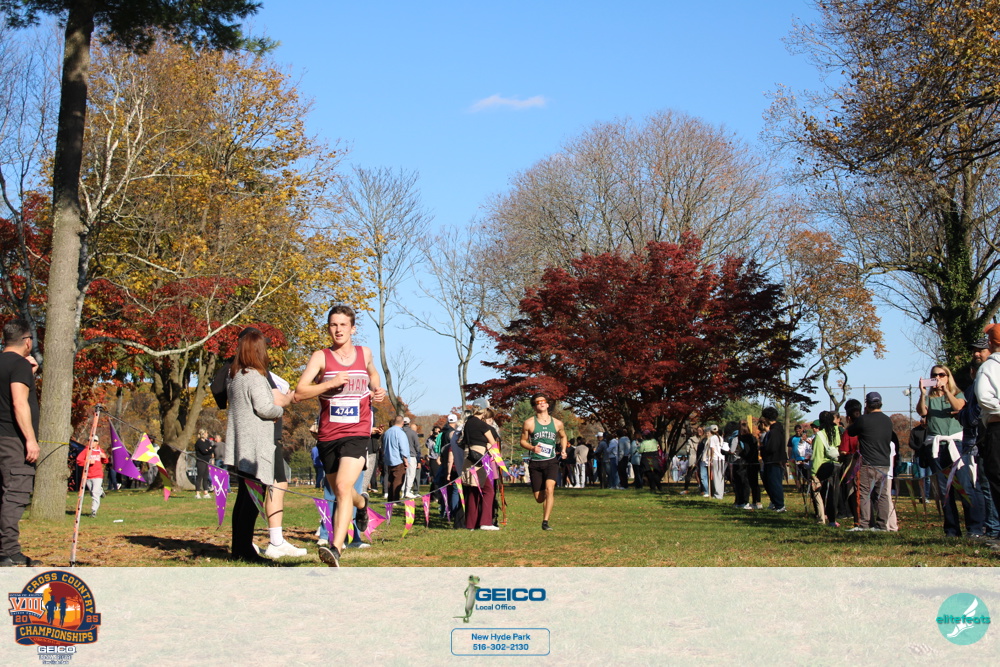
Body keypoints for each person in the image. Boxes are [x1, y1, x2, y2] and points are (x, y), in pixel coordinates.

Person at [294, 305, 386, 567]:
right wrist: (330, 383)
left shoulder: (364, 353)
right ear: (328, 328)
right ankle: (362, 504)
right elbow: (300, 392)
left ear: (352, 328)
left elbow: (373, 373)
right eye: (333, 325)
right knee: (340, 491)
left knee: (344, 487)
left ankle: (335, 547)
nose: (338, 330)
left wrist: (377, 389)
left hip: (357, 432)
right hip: (328, 435)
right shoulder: (321, 357)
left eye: (343, 325)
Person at [224, 330, 303, 561]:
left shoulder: (235, 376)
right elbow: (265, 408)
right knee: (252, 499)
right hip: (255, 446)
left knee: (243, 499)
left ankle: (239, 547)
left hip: (242, 443)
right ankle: (245, 550)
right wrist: (280, 409)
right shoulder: (255, 377)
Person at [918, 363, 980, 537]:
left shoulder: (957, 393)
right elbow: (922, 412)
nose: (937, 378)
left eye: (941, 375)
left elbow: (959, 407)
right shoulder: (929, 398)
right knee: (944, 490)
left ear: (948, 377)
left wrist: (946, 391)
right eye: (934, 375)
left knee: (965, 486)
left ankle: (974, 528)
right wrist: (922, 393)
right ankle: (952, 530)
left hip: (955, 445)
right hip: (936, 447)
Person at [0, 319, 39, 567]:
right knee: (15, 495)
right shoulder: (19, 364)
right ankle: (8, 552)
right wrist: (30, 440)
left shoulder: (16, 366)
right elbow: (18, 402)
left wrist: (29, 374)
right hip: (13, 441)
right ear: (27, 341)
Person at [847, 392, 897, 531]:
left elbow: (851, 431)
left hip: (868, 463)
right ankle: (882, 525)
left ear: (867, 404)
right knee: (883, 496)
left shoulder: (864, 420)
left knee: (864, 494)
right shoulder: (887, 420)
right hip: (884, 463)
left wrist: (863, 416)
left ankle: (865, 524)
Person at [519, 393, 569, 530]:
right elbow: (522, 441)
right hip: (535, 463)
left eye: (543, 401)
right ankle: (545, 503)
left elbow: (563, 436)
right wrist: (532, 448)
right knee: (539, 498)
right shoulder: (529, 423)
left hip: (551, 462)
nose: (541, 403)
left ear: (547, 404)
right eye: (537, 402)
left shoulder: (557, 423)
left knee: (549, 489)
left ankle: (545, 522)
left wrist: (563, 450)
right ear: (534, 406)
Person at [462, 405, 500, 530]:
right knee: (488, 490)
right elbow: (493, 443)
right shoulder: (482, 425)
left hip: (468, 457)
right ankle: (486, 522)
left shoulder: (467, 423)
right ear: (484, 412)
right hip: (481, 458)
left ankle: (470, 524)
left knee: (473, 490)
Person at [809, 412, 841, 527]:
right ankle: (833, 520)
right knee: (833, 494)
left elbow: (818, 456)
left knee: (818, 493)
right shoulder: (836, 432)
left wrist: (813, 473)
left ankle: (821, 517)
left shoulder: (820, 435)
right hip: (837, 465)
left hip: (824, 467)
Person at [759, 407, 787, 512]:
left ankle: (780, 505)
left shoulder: (774, 431)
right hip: (773, 460)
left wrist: (763, 448)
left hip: (774, 460)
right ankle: (776, 503)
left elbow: (772, 447)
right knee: (770, 483)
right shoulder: (775, 430)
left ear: (767, 418)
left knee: (775, 483)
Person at [76, 435, 109, 518]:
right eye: (90, 440)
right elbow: (79, 461)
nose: (92, 442)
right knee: (92, 492)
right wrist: (88, 461)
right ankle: (100, 491)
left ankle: (93, 511)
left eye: (94, 441)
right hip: (88, 476)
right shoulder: (86, 450)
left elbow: (105, 461)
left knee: (94, 493)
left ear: (97, 442)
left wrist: (104, 457)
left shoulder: (100, 450)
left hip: (98, 475)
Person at [382, 416, 409, 501]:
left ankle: (390, 499)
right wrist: (405, 460)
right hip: (398, 460)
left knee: (390, 480)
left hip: (388, 459)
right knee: (398, 480)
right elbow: (403, 448)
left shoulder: (387, 432)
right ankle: (395, 499)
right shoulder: (400, 433)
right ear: (403, 422)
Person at [193, 429, 214, 499]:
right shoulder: (199, 442)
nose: (207, 434)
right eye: (206, 433)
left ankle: (206, 492)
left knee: (206, 477)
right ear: (202, 434)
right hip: (201, 461)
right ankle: (197, 493)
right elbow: (203, 451)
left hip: (207, 461)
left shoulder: (207, 442)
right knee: (200, 477)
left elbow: (211, 449)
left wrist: (209, 450)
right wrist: (208, 450)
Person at [403, 417, 420, 498]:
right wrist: (419, 457)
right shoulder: (413, 433)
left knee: (403, 475)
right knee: (411, 474)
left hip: (401, 456)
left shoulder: (399, 431)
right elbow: (417, 446)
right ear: (409, 424)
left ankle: (402, 491)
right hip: (411, 455)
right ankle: (408, 491)